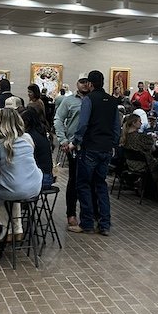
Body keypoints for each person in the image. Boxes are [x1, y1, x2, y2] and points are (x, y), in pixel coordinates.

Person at [71, 70, 120, 236]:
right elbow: (116, 126)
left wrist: (76, 141)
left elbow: (83, 124)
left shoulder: (88, 100)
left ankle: (87, 224)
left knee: (84, 185)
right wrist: (113, 144)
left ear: (90, 84)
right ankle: (105, 224)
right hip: (106, 149)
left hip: (90, 147)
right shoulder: (113, 101)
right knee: (101, 185)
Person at [0, 109, 42, 241]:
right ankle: (18, 228)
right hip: (34, 186)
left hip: (14, 188)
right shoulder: (27, 137)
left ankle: (6, 227)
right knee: (15, 189)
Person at [54, 76, 91, 230]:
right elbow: (58, 119)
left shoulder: (92, 100)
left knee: (89, 182)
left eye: (86, 82)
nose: (84, 84)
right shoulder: (69, 101)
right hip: (73, 146)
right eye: (81, 82)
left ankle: (88, 215)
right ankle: (71, 214)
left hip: (91, 146)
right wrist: (63, 140)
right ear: (77, 84)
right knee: (74, 181)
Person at [119, 114, 158, 198]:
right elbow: (153, 149)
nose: (141, 123)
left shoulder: (125, 136)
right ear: (134, 123)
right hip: (142, 164)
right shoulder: (140, 137)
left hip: (129, 163)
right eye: (139, 121)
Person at [22, 107, 54, 189]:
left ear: (26, 122)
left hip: (39, 179)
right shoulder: (41, 132)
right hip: (47, 177)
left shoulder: (29, 137)